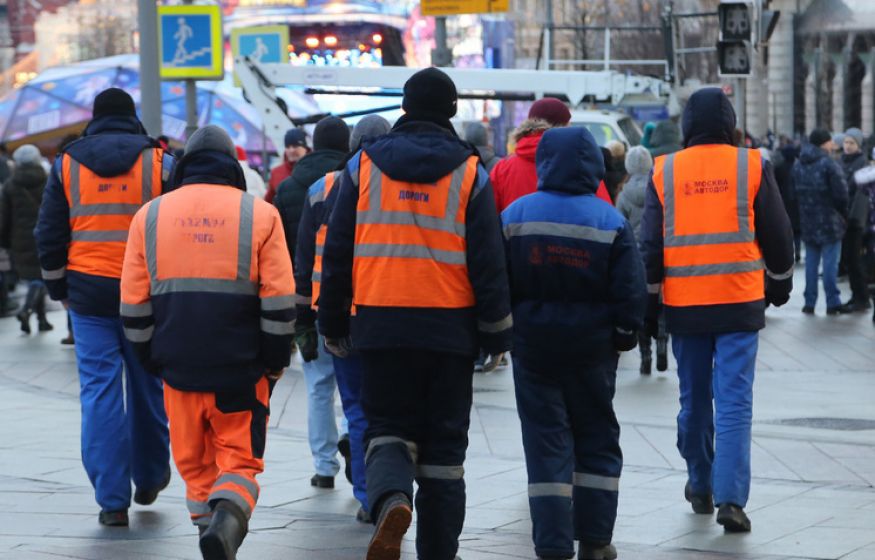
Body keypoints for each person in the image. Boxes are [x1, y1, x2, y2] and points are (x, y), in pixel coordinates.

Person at [318, 67, 512, 560]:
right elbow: (488, 262)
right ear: (451, 112)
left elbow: (338, 250)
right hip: (449, 332)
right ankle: (439, 551)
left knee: (385, 428)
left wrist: (333, 322)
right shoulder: (471, 172)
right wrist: (495, 334)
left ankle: (392, 500)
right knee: (445, 452)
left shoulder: (362, 166)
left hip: (380, 327)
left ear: (404, 107)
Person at [120, 125, 295, 560]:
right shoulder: (260, 215)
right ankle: (229, 517)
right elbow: (279, 300)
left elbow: (134, 303)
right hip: (240, 369)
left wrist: (152, 358)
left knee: (195, 467)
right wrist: (272, 363)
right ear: (232, 166)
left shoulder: (150, 215)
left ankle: (210, 536)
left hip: (177, 369)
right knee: (240, 462)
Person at [640, 88, 794, 533]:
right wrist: (779, 283)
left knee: (694, 401)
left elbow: (650, 245)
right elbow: (778, 231)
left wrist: (649, 305)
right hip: (739, 302)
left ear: (687, 126)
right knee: (733, 403)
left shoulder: (663, 170)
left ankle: (699, 482)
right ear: (729, 123)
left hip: (685, 307)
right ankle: (731, 499)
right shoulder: (750, 164)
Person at [502, 126, 646, 560]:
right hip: (592, 349)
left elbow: (497, 280)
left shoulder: (514, 216)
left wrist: (506, 329)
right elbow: (630, 289)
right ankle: (596, 539)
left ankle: (551, 543)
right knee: (596, 437)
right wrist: (623, 334)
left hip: (534, 348)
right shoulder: (608, 219)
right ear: (593, 166)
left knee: (545, 442)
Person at [34, 88, 173, 526]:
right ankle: (150, 475)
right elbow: (172, 228)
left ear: (95, 118)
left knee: (99, 391)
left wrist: (59, 287)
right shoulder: (159, 162)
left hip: (88, 295)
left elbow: (49, 232)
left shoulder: (68, 163)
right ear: (132, 117)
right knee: (149, 385)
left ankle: (112, 500)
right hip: (145, 295)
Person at [295, 114, 393, 522]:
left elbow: (306, 261)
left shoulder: (322, 189)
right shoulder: (398, 188)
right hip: (391, 313)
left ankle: (370, 496)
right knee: (390, 410)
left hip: (338, 313)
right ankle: (392, 490)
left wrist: (305, 317)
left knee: (354, 407)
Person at [275, 116, 351, 490]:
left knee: (319, 384)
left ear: (313, 144)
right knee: (355, 383)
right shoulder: (359, 181)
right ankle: (352, 436)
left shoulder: (290, 187)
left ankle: (324, 466)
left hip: (305, 296)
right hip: (352, 301)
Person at [616, 145, 668, 375]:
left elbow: (619, 225)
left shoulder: (624, 194)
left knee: (641, 304)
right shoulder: (658, 187)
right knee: (661, 302)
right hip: (658, 252)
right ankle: (663, 341)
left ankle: (645, 353)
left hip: (634, 256)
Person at [792, 129, 850, 315]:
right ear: (824, 143)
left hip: (808, 220)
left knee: (811, 264)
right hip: (829, 221)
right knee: (830, 265)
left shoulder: (799, 163)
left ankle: (809, 302)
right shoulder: (829, 164)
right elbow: (841, 194)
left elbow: (793, 192)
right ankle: (832, 302)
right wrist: (844, 214)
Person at [1, 145, 51, 333]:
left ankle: (37, 316)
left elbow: (4, 217)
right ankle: (34, 314)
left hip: (20, 239)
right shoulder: (48, 181)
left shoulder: (10, 185)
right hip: (46, 234)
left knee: (33, 278)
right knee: (40, 277)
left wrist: (4, 241)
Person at [838, 128, 871, 312]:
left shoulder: (861, 163)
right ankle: (856, 295)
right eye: (846, 142)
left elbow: (861, 195)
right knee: (848, 260)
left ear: (858, 145)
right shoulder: (841, 161)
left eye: (852, 143)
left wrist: (853, 218)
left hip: (855, 220)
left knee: (854, 259)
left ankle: (862, 297)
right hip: (844, 217)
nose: (848, 146)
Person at [266, 128, 309, 204]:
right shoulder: (276, 173)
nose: (291, 150)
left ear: (305, 147)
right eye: (288, 147)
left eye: (295, 146)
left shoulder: (316, 167)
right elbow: (268, 202)